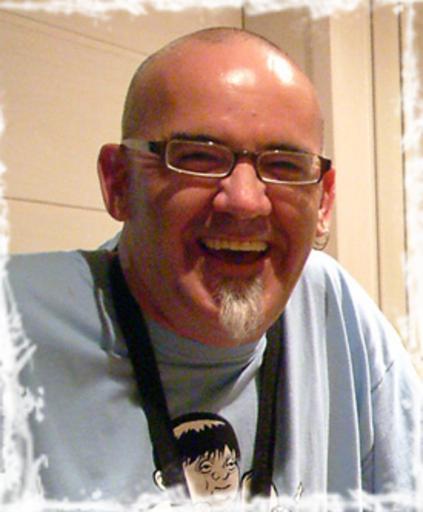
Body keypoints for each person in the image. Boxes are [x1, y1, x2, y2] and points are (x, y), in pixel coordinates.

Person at [4, 27, 421, 511]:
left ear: (323, 201)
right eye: (197, 157)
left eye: (285, 166)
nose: (244, 201)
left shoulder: (332, 312)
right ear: (119, 182)